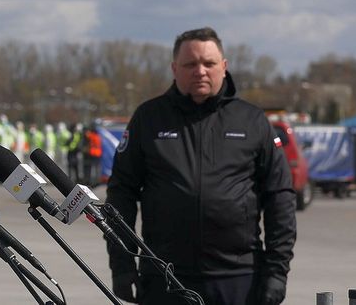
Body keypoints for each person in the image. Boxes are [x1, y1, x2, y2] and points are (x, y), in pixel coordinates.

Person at [106, 27, 296, 305]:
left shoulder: (252, 121)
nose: (200, 71)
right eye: (190, 64)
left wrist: (277, 271)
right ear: (174, 68)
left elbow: (280, 197)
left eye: (209, 63)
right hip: (165, 277)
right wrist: (122, 265)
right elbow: (121, 194)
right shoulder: (149, 118)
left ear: (224, 67)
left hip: (238, 279)